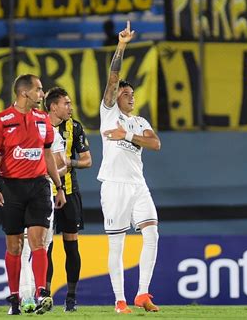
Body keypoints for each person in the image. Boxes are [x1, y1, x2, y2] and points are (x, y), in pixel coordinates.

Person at [0, 74, 66, 315]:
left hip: (39, 187)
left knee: (38, 242)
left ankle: (42, 293)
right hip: (11, 188)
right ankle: (15, 298)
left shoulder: (43, 120)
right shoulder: (1, 120)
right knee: (14, 246)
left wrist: (58, 186)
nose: (42, 94)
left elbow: (48, 155)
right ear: (24, 93)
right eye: (39, 90)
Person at [98, 21, 161, 314]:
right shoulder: (109, 113)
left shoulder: (139, 123)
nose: (131, 96)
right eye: (126, 94)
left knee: (152, 233)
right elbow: (113, 79)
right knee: (118, 244)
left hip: (138, 185)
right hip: (114, 184)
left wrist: (128, 136)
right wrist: (121, 45)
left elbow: (155, 143)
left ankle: (142, 293)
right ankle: (120, 300)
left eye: (133, 93)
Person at [44, 87, 92, 312]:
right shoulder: (38, 124)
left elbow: (87, 161)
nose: (71, 108)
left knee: (71, 247)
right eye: (67, 104)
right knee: (46, 248)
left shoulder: (75, 127)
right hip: (43, 194)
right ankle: (46, 296)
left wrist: (66, 165)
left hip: (69, 193)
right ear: (54, 106)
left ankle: (71, 299)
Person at [19, 106, 68, 313]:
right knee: (25, 247)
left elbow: (62, 165)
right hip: (21, 191)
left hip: (45, 190)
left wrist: (56, 183)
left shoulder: (51, 132)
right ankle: (27, 296)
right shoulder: (12, 128)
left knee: (44, 245)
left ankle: (38, 294)